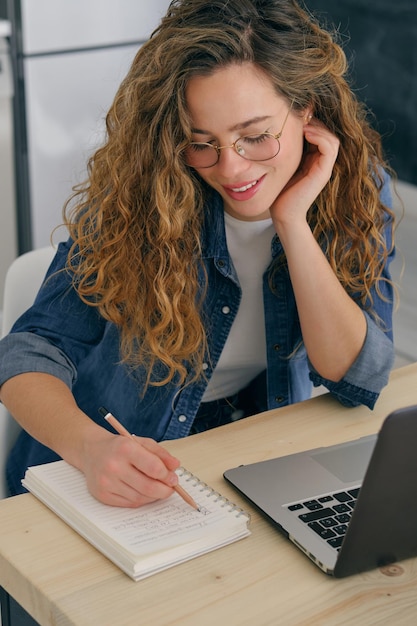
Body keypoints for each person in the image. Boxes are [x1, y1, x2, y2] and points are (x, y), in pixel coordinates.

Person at [0, 0, 396, 506]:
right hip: (100, 466)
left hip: (247, 454)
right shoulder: (142, 198)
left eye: (255, 137)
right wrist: (92, 449)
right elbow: (26, 353)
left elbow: (355, 376)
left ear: (306, 108)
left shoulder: (354, 190)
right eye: (200, 142)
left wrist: (292, 224)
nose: (230, 169)